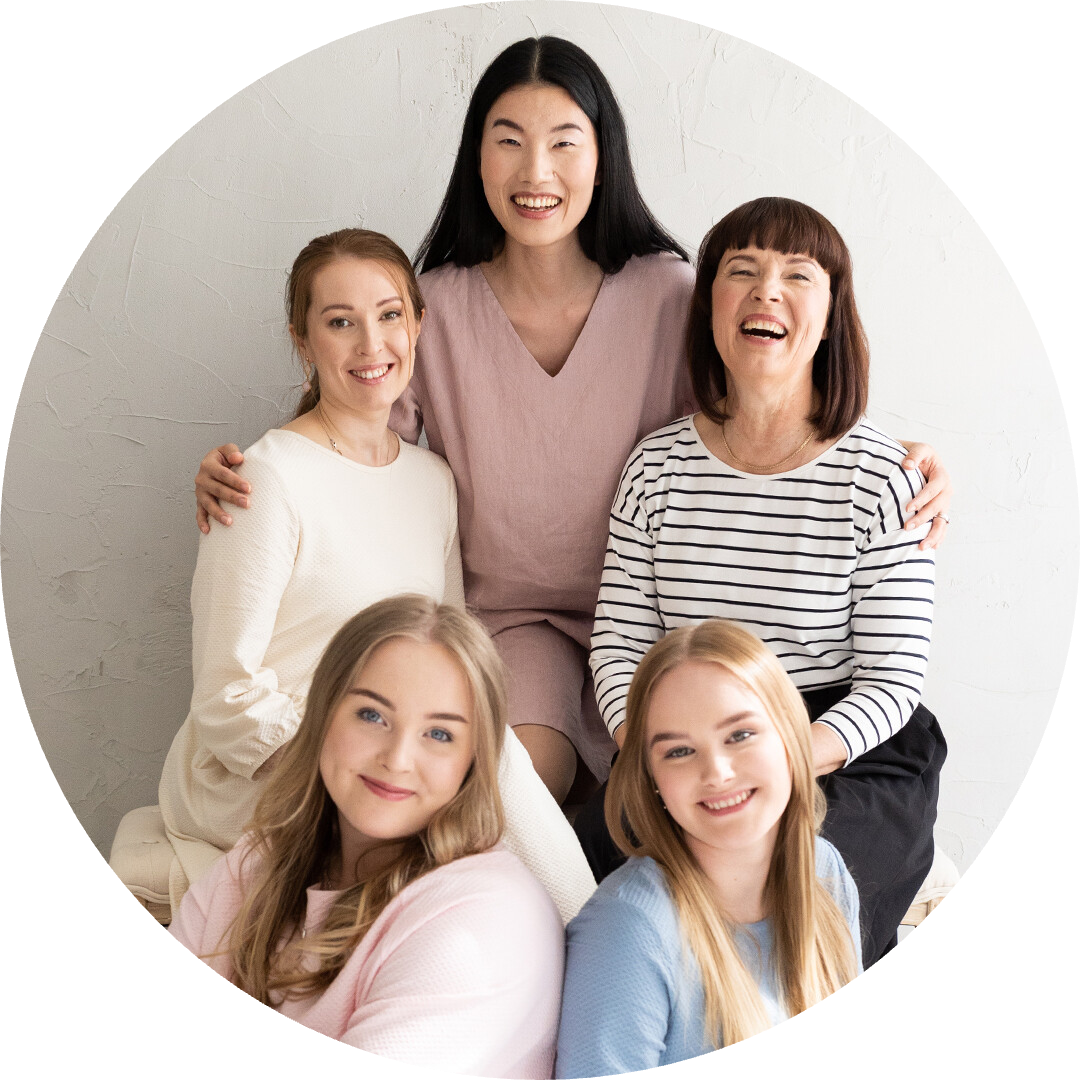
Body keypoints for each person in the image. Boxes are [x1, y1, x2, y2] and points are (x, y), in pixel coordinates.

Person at [190, 38, 953, 805]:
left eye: (563, 143)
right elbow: (364, 432)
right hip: (517, 632)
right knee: (520, 794)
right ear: (476, 159)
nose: (536, 172)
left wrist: (890, 454)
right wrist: (272, 470)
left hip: (666, 624)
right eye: (509, 142)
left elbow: (763, 393)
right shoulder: (438, 304)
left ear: (602, 157)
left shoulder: (668, 292)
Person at [157, 228, 595, 923]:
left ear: (418, 325)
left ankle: (586, 945)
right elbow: (223, 700)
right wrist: (354, 753)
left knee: (490, 758)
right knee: (492, 774)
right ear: (303, 341)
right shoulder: (264, 480)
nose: (371, 344)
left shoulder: (432, 480)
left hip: (387, 746)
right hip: (270, 767)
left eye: (389, 315)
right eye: (340, 322)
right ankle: (591, 938)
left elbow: (444, 659)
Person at [581, 196, 947, 967]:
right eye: (741, 270)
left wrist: (770, 764)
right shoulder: (655, 468)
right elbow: (617, 647)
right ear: (710, 303)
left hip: (840, 745)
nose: (766, 291)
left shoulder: (884, 477)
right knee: (611, 904)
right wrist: (661, 754)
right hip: (683, 738)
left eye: (797, 275)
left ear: (832, 314)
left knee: (796, 902)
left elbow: (894, 678)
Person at [170, 595, 565, 1077]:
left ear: (473, 761)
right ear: (323, 716)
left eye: (440, 734)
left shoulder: (483, 920)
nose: (397, 759)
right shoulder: (258, 863)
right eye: (372, 715)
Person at [557, 620, 860, 1074]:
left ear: (791, 738)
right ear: (652, 779)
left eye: (739, 735)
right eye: (679, 751)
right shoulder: (627, 928)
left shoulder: (824, 871)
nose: (717, 773)